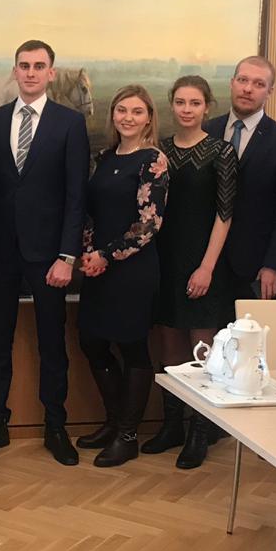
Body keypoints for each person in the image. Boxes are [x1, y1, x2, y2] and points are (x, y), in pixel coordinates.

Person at [0, 39, 89, 467]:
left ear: (51, 73)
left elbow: (76, 196)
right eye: (24, 65)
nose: (31, 73)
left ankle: (56, 426)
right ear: (15, 71)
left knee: (51, 344)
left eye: (39, 66)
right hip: (1, 255)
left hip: (49, 257)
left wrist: (67, 256)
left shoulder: (69, 123)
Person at [146, 75, 236, 470]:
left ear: (207, 107)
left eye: (194, 103)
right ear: (172, 105)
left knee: (202, 352)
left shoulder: (221, 151)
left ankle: (200, 432)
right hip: (165, 260)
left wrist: (207, 267)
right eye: (180, 102)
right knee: (169, 346)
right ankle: (172, 426)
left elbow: (225, 215)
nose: (187, 109)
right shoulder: (160, 150)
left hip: (204, 263)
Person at [77, 85, 169, 467]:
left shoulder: (153, 160)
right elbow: (90, 213)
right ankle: (114, 422)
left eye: (136, 111)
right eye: (121, 110)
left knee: (132, 348)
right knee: (92, 342)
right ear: (113, 114)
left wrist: (106, 255)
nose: (127, 117)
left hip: (132, 269)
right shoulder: (104, 157)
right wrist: (88, 253)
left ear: (148, 118)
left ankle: (128, 435)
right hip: (97, 268)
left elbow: (149, 223)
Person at [204, 56, 276, 304]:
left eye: (259, 84)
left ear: (270, 92)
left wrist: (274, 265)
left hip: (258, 269)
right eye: (242, 80)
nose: (248, 89)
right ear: (231, 83)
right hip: (206, 265)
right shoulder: (205, 132)